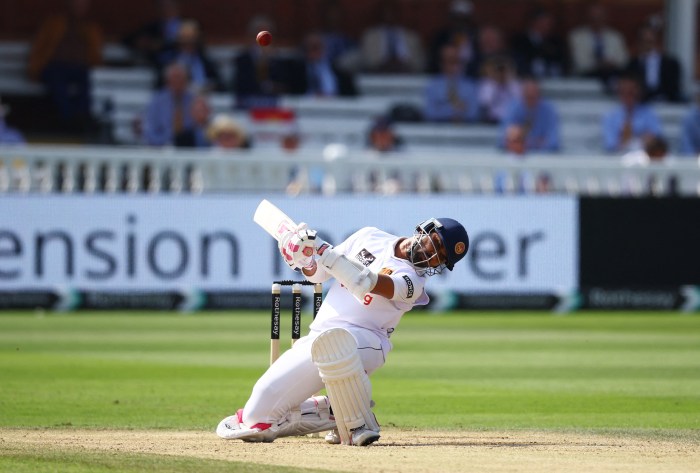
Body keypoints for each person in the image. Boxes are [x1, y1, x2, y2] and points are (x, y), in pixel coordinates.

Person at [216, 216, 470, 446]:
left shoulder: (413, 281)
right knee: (259, 409)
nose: (431, 254)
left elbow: (366, 283)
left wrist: (322, 248)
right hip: (319, 336)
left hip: (368, 342)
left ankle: (359, 420)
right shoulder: (369, 236)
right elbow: (318, 276)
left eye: (440, 256)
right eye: (434, 242)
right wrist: (305, 260)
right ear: (423, 230)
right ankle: (332, 411)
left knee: (337, 344)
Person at [27, 0, 103, 126]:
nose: (79, 7)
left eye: (83, 4)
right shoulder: (54, 24)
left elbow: (95, 54)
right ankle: (67, 118)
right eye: (76, 3)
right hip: (56, 66)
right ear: (69, 4)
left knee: (89, 81)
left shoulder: (91, 27)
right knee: (57, 81)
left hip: (80, 68)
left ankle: (81, 118)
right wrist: (34, 67)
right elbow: (40, 47)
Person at [568, 3, 629, 91]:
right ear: (588, 18)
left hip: (612, 77)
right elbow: (579, 63)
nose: (596, 20)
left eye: (599, 17)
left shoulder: (616, 37)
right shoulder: (576, 36)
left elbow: (624, 61)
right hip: (586, 80)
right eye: (593, 18)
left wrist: (611, 63)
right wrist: (599, 64)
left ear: (605, 18)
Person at [359, 0, 426, 73]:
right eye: (386, 12)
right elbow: (366, 62)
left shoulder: (412, 37)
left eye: (393, 11)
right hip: (378, 77)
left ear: (399, 13)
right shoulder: (370, 36)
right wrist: (386, 64)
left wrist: (404, 64)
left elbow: (421, 64)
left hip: (407, 77)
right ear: (380, 13)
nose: (389, 15)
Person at [155, 20, 222, 92]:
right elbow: (159, 88)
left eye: (192, 43)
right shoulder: (168, 62)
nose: (188, 47)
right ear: (179, 44)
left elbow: (219, 84)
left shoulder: (206, 62)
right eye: (185, 43)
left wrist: (210, 87)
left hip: (203, 98)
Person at [601, 75, 662, 154]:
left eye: (631, 92)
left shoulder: (649, 114)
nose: (628, 96)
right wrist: (638, 140)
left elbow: (656, 139)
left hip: (645, 159)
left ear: (638, 92)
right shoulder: (610, 117)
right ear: (619, 93)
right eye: (624, 92)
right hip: (617, 160)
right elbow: (610, 145)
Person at [498, 78, 560, 153]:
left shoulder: (549, 110)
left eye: (533, 97)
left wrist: (527, 143)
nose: (530, 100)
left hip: (543, 158)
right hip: (516, 158)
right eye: (528, 96)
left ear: (539, 95)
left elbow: (554, 142)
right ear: (522, 94)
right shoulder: (512, 108)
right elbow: (503, 140)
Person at [624, 25, 683, 103]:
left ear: (656, 42)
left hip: (665, 105)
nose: (646, 45)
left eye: (649, 42)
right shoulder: (632, 65)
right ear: (638, 42)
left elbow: (673, 89)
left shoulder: (670, 64)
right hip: (639, 105)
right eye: (643, 41)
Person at [142, 62, 195, 146]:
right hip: (161, 149)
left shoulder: (193, 99)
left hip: (189, 148)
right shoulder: (157, 101)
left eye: (181, 78)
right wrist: (165, 142)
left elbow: (198, 129)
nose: (178, 81)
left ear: (186, 80)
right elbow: (150, 131)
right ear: (167, 80)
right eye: (175, 78)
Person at [423, 44, 479, 123]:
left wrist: (442, 108)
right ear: (441, 63)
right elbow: (430, 113)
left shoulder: (470, 85)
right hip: (439, 131)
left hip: (467, 131)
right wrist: (457, 109)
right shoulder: (433, 85)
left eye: (457, 61)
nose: (454, 65)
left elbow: (474, 113)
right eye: (450, 61)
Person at [510, 7, 568, 78]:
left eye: (549, 23)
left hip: (554, 81)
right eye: (544, 23)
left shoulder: (556, 42)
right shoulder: (520, 41)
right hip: (528, 80)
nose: (548, 26)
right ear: (534, 22)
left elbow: (563, 63)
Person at [427, 0, 480, 77]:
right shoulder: (440, 38)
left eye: (464, 19)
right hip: (443, 79)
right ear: (451, 18)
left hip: (470, 79)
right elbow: (433, 63)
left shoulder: (476, 37)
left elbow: (479, 61)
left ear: (469, 20)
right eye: (457, 18)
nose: (460, 23)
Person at [121, 0, 183, 66]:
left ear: (177, 6)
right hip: (156, 65)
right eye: (162, 6)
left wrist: (162, 45)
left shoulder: (187, 25)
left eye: (169, 5)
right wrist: (145, 43)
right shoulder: (151, 26)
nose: (166, 8)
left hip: (183, 64)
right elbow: (127, 40)